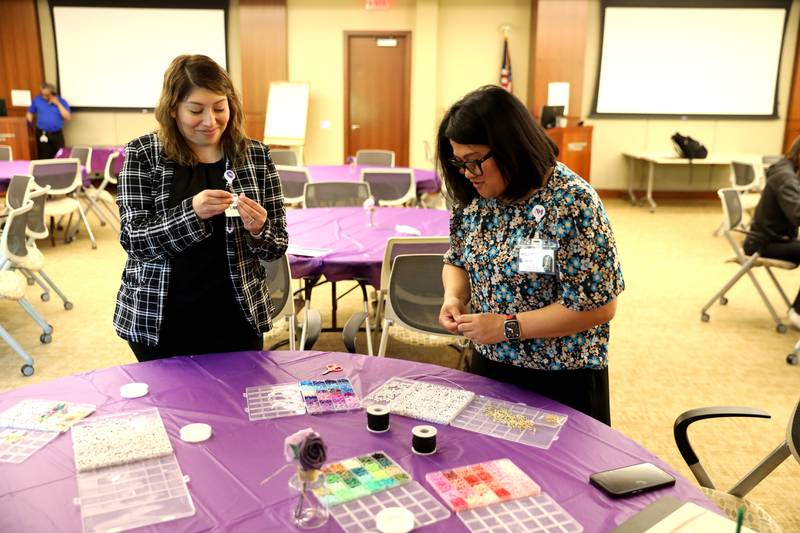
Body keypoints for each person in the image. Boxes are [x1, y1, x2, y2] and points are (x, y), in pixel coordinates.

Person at [437, 86, 624, 425]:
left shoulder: (571, 202)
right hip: (490, 362)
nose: (467, 173)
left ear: (511, 148)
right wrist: (453, 296)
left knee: (559, 476)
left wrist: (509, 327)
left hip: (562, 377)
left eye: (475, 161)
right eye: (459, 162)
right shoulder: (475, 197)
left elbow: (599, 306)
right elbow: (457, 259)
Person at [114, 55, 288, 361]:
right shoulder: (143, 154)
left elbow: (276, 247)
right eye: (196, 110)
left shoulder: (256, 155)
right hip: (161, 319)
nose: (211, 121)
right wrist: (191, 212)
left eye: (220, 108)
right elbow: (134, 240)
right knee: (169, 406)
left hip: (238, 316)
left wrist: (259, 228)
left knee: (237, 403)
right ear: (173, 109)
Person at [743, 137, 800, 328]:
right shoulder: (786, 178)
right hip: (764, 243)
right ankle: (798, 313)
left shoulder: (786, 170)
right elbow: (797, 215)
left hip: (770, 238)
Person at [26, 82, 71, 159]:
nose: (44, 97)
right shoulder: (37, 100)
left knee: (60, 156)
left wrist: (58, 104)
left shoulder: (62, 101)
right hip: (42, 134)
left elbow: (67, 117)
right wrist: (30, 123)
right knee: (44, 156)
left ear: (53, 94)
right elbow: (30, 112)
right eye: (42, 94)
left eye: (46, 95)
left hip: (57, 134)